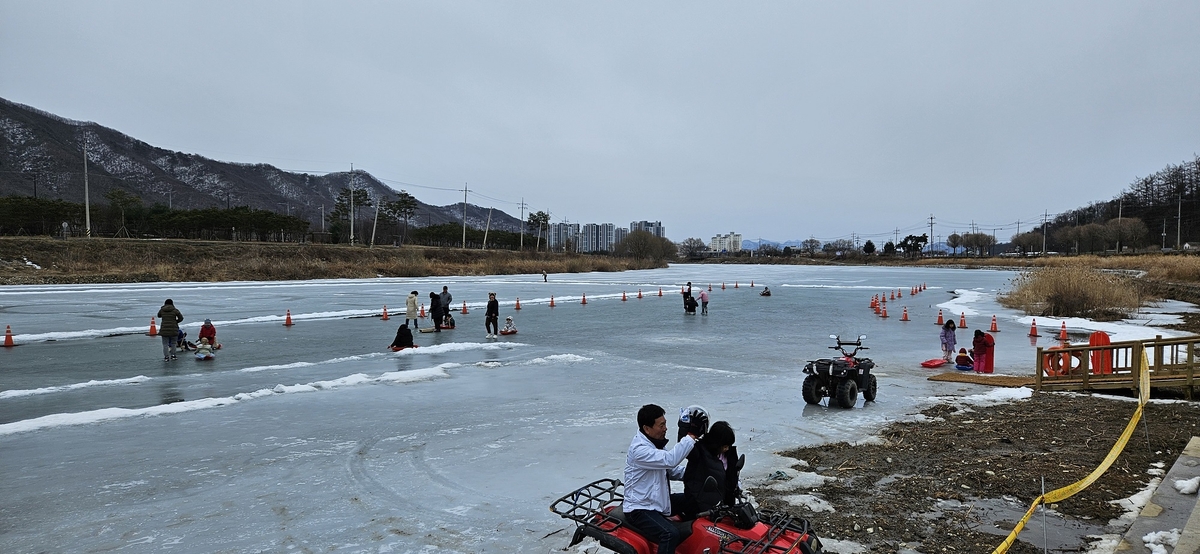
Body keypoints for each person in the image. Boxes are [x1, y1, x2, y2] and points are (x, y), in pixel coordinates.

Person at [623, 404, 697, 554]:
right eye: (661, 425)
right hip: (640, 507)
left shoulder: (655, 444)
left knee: (695, 499)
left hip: (657, 501)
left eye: (665, 424)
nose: (665, 428)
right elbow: (670, 460)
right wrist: (690, 437)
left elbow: (673, 471)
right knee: (670, 534)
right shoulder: (639, 450)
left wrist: (699, 475)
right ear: (647, 428)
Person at [681, 421, 741, 517]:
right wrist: (685, 426)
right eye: (725, 446)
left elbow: (732, 476)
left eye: (728, 446)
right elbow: (684, 449)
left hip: (724, 506)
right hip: (700, 505)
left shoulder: (730, 455)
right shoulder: (699, 452)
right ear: (716, 443)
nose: (727, 449)